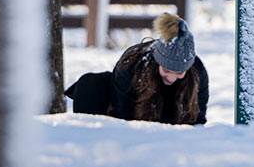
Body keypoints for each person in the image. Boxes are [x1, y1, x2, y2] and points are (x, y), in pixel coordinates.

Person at [64, 13, 209, 125]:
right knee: (91, 85)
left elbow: (198, 120)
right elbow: (123, 118)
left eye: (179, 72)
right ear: (157, 61)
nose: (171, 78)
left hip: (172, 118)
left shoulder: (197, 71)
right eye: (166, 70)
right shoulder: (131, 64)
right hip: (134, 113)